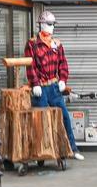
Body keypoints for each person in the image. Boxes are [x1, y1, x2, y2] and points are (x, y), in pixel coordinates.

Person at [24, 10, 82, 160]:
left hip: (54, 87)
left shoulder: (57, 44)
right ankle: (41, 153)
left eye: (53, 25)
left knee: (64, 117)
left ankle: (72, 149)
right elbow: (30, 66)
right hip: (40, 88)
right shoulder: (32, 44)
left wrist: (63, 79)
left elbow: (63, 63)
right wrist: (35, 83)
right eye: (49, 24)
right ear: (41, 24)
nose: (52, 28)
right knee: (41, 121)